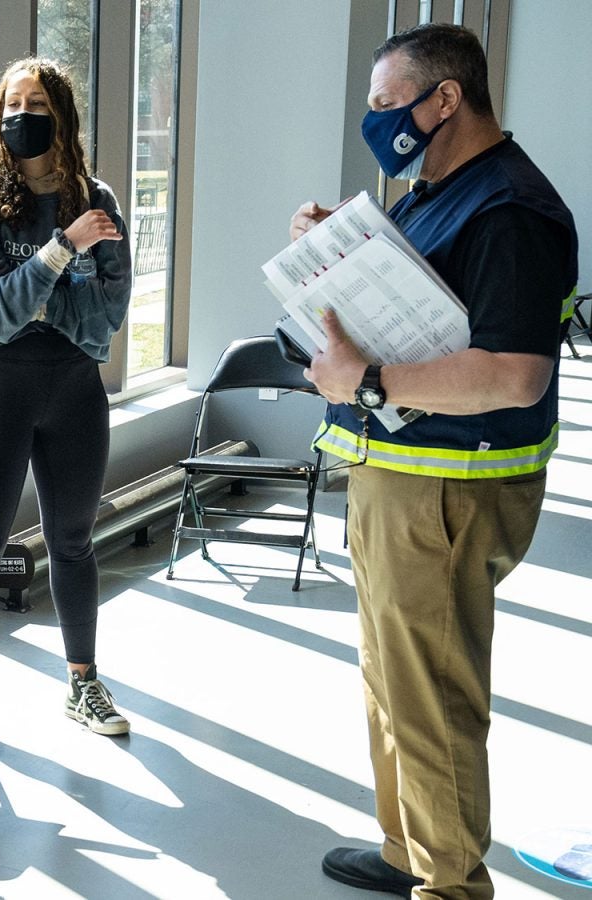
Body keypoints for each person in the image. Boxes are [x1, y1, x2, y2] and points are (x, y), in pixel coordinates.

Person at [293, 24, 577, 899]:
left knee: (432, 695)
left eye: (387, 106)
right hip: (404, 473)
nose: (377, 125)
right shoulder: (436, 190)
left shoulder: (512, 210)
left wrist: (368, 377)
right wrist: (335, 249)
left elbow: (513, 373)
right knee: (392, 675)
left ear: (444, 98)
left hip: (449, 489)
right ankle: (408, 846)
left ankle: (450, 883)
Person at [0, 57, 133, 755]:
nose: (23, 114)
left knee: (74, 541)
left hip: (75, 388)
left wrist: (24, 302)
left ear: (62, 116)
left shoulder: (96, 196)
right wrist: (61, 253)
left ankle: (83, 682)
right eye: (12, 102)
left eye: (37, 102)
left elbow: (106, 314)